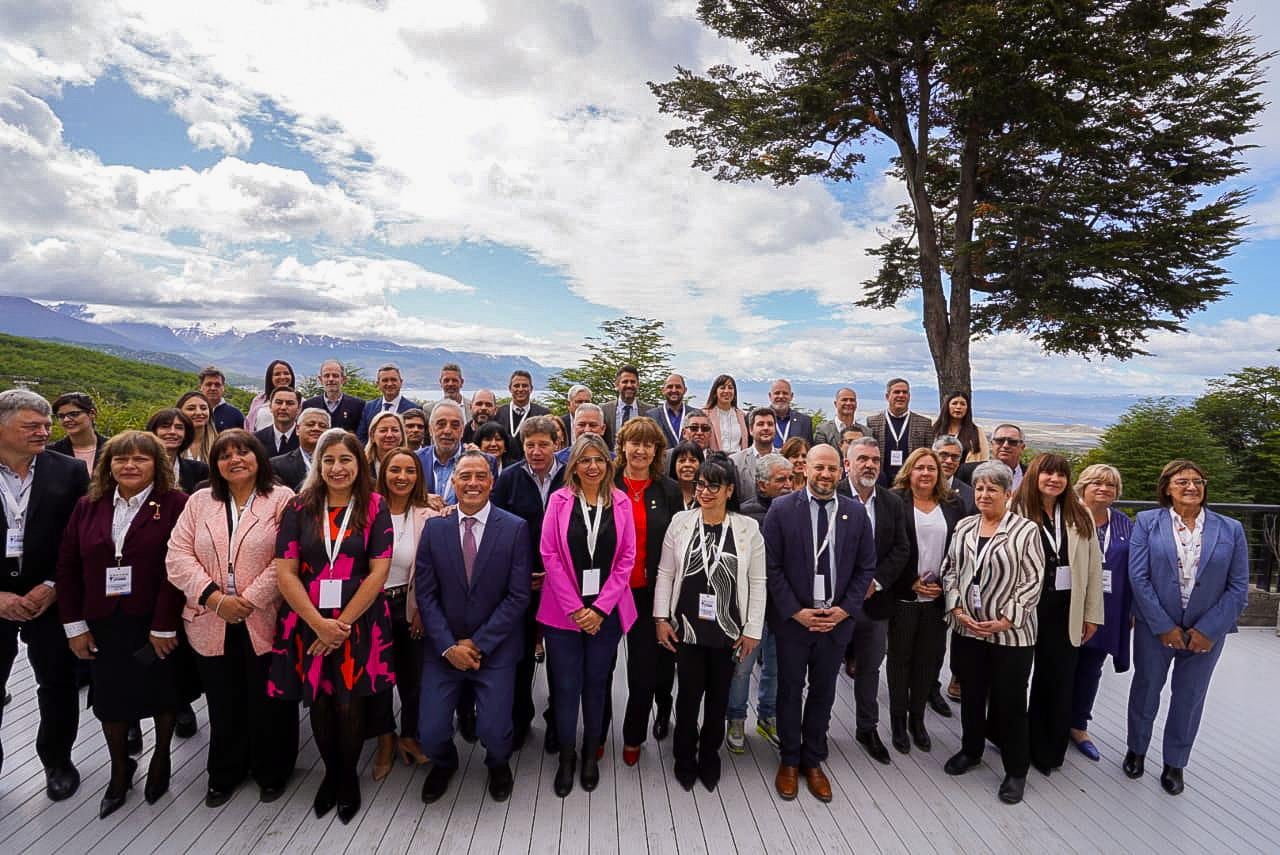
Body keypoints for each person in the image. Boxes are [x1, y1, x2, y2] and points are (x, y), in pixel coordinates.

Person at [56, 431, 188, 816]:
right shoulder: (88, 505)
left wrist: (164, 625)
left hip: (155, 622)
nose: (129, 466)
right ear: (107, 464)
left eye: (140, 459)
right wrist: (73, 625)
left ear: (157, 465)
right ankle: (119, 770)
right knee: (111, 701)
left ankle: (161, 759)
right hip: (101, 622)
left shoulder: (176, 503)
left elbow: (177, 568)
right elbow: (67, 567)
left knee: (161, 693)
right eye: (120, 459)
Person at [165, 429, 299, 807]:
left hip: (264, 616)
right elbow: (177, 556)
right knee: (223, 702)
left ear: (259, 457)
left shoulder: (282, 498)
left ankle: (271, 770)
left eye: (244, 452)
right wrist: (214, 598)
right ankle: (225, 771)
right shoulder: (199, 501)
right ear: (215, 463)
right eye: (226, 455)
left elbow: (287, 558)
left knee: (268, 702)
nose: (235, 460)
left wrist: (249, 599)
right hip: (209, 617)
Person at [268, 428, 395, 824]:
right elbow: (285, 571)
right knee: (320, 701)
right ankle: (331, 773)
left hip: (358, 623)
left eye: (345, 460)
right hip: (308, 620)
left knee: (349, 701)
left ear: (359, 464)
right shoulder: (298, 507)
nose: (337, 468)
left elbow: (378, 572)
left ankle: (349, 778)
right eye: (329, 460)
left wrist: (338, 625)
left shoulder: (375, 506)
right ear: (318, 465)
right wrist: (317, 624)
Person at [1124, 459, 1249, 796]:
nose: (1192, 487)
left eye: (1198, 481)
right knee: (1147, 688)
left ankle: (1174, 763)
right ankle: (1136, 750)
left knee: (1190, 697)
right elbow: (1138, 576)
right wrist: (1163, 625)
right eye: (1182, 481)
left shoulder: (1230, 529)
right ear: (1167, 487)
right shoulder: (1148, 523)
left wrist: (1209, 629)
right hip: (1156, 628)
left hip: (1206, 632)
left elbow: (1238, 587)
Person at [763, 443, 876, 802]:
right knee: (789, 689)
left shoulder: (856, 514)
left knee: (824, 691)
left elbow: (865, 568)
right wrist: (796, 611)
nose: (825, 475)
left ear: (841, 471)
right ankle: (790, 759)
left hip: (836, 621)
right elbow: (771, 567)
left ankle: (813, 758)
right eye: (818, 468)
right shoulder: (781, 509)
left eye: (831, 469)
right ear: (805, 470)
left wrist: (844, 610)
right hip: (795, 622)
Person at [417, 451, 531, 804]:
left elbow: (518, 595)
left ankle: (498, 764)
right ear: (453, 481)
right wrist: (449, 646)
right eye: (465, 476)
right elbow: (425, 592)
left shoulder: (514, 528)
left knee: (496, 731)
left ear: (492, 482)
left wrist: (478, 643)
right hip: (444, 649)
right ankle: (445, 763)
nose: (472, 483)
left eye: (481, 476)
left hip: (493, 650)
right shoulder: (435, 529)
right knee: (431, 731)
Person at [655, 453, 765, 791]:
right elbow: (666, 572)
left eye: (713, 486)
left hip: (729, 631)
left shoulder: (748, 529)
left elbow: (759, 582)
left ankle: (710, 756)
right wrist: (660, 617)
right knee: (687, 697)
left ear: (730, 489)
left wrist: (752, 630)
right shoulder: (680, 522)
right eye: (701, 484)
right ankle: (684, 756)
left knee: (719, 699)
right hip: (686, 627)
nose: (705, 491)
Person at [0, 390, 90, 800]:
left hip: (50, 597)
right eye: (31, 426)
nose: (44, 432)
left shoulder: (69, 471)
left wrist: (54, 584)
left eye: (46, 425)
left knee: (57, 684)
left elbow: (81, 539)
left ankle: (57, 761)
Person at [537, 434, 636, 797]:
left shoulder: (621, 502)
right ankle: (566, 756)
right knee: (564, 688)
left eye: (599, 460)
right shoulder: (559, 501)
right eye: (584, 460)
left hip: (605, 616)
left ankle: (590, 754)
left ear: (608, 465)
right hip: (563, 615)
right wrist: (577, 608)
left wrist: (599, 608)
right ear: (574, 466)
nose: (592, 466)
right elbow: (548, 555)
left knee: (597, 686)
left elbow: (626, 559)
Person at [941, 460, 1044, 806]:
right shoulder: (965, 526)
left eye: (992, 489)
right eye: (980, 488)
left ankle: (1016, 770)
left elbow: (1032, 582)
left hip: (1010, 636)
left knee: (1010, 702)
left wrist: (1005, 620)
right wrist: (956, 608)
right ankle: (971, 750)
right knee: (971, 693)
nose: (984, 494)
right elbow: (950, 570)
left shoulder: (1026, 530)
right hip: (968, 629)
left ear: (1008, 493)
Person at [1011, 453, 1104, 777]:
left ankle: (1047, 749)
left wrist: (1091, 614)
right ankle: (1009, 740)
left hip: (1067, 609)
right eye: (1047, 473)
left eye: (1061, 475)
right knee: (1014, 679)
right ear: (1035, 475)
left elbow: (1093, 567)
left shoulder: (1081, 515)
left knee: (1057, 680)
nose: (1054, 479)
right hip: (1024, 608)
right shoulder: (1016, 511)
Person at [882, 446, 966, 760]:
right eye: (920, 468)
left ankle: (918, 720)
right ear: (909, 471)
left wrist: (945, 585)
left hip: (936, 599)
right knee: (900, 660)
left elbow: (961, 550)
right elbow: (887, 548)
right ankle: (898, 722)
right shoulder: (894, 502)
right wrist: (909, 581)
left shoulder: (953, 504)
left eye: (932, 468)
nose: (926, 473)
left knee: (927, 662)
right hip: (904, 595)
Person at [492, 415, 565, 752]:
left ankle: (557, 720)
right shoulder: (508, 479)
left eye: (543, 444)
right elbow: (498, 531)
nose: (536, 451)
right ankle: (519, 719)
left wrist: (555, 573)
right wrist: (519, 574)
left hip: (562, 582)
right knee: (519, 655)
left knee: (560, 657)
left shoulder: (570, 477)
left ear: (557, 445)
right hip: (519, 582)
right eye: (530, 444)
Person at [614, 417, 683, 765]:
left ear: (656, 450)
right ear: (622, 444)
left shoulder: (668, 490)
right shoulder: (605, 481)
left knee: (643, 671)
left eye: (648, 444)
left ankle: (633, 735)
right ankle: (595, 733)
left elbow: (676, 550)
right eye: (634, 442)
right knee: (599, 669)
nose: (640, 450)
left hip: (648, 594)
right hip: (607, 595)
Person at [367, 448, 439, 779]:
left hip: (410, 607)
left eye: (410, 471)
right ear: (383, 473)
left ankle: (409, 735)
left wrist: (424, 610)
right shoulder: (367, 511)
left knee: (414, 679)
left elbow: (433, 570)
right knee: (379, 680)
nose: (402, 477)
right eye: (395, 469)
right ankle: (385, 739)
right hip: (372, 606)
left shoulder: (428, 514)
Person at [839, 438, 911, 763]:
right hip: (836, 603)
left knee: (869, 669)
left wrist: (876, 581)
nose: (869, 465)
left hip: (876, 603)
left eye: (875, 460)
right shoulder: (833, 495)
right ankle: (817, 729)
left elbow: (901, 548)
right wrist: (852, 585)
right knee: (824, 669)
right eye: (862, 459)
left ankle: (867, 728)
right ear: (847, 464)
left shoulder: (891, 502)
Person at [726, 453, 792, 752]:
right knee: (743, 666)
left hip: (784, 606)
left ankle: (768, 717)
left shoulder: (798, 510)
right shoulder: (743, 515)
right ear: (762, 484)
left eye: (792, 478)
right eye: (781, 479)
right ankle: (737, 719)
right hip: (750, 606)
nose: (789, 485)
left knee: (776, 666)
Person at [1070, 464, 1134, 762]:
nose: (1103, 488)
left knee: (1091, 668)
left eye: (1110, 485)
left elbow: (1136, 571)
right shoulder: (1066, 517)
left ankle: (1079, 725)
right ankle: (1048, 721)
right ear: (1082, 485)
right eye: (1097, 482)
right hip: (1067, 606)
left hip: (1108, 608)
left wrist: (1131, 611)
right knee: (1059, 666)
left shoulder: (1124, 524)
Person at [865, 378, 933, 486]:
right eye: (896, 392)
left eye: (905, 392)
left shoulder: (924, 423)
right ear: (887, 396)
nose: (901, 395)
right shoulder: (872, 422)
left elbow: (929, 456)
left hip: (911, 483)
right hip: (881, 482)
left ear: (909, 397)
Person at [147, 408, 209, 494]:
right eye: (165, 427)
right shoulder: (141, 467)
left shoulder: (200, 470)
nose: (172, 432)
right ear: (153, 431)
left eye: (179, 428)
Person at [269, 407, 330, 492]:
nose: (316, 428)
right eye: (310, 424)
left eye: (322, 426)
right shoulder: (276, 465)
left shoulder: (338, 463)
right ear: (297, 429)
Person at [495, 370, 550, 460]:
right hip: (505, 465)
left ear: (531, 389)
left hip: (533, 463)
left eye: (524, 386)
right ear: (510, 388)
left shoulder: (543, 414)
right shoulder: (500, 412)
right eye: (516, 386)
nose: (520, 389)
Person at [50, 392, 108, 473]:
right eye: (61, 416)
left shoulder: (113, 448)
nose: (66, 420)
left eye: (74, 414)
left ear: (92, 414)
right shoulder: (51, 452)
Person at [357, 363, 416, 442]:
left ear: (401, 382)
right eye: (385, 380)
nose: (389, 384)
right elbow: (362, 437)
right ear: (378, 384)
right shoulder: (369, 407)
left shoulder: (413, 409)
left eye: (393, 379)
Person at [302, 360, 364, 433]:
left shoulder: (358, 405)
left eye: (335, 376)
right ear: (320, 380)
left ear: (343, 379)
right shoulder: (309, 405)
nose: (331, 379)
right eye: (326, 376)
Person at [729, 407, 777, 504]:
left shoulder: (785, 457)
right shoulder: (735, 461)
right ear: (751, 429)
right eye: (760, 424)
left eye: (770, 424)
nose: (766, 428)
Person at [931, 392, 990, 464]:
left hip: (966, 473)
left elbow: (984, 458)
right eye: (954, 403)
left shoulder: (976, 432)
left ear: (967, 408)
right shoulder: (935, 430)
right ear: (947, 406)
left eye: (963, 404)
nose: (958, 407)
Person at [601, 364, 650, 448]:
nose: (629, 385)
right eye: (625, 381)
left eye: (633, 382)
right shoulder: (604, 410)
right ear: (617, 385)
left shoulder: (649, 411)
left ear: (638, 385)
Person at [646, 374, 694, 449]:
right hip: (662, 460)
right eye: (670, 387)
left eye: (678, 387)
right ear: (663, 390)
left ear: (685, 390)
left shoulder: (694, 414)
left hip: (688, 459)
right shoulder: (651, 416)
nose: (674, 390)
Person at [246, 360, 296, 432]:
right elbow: (249, 426)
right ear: (270, 378)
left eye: (286, 373)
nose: (282, 377)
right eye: (277, 374)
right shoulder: (258, 400)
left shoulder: (301, 402)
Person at [253, 386, 301, 457]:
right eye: (279, 402)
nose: (283, 407)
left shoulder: (304, 438)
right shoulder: (256, 439)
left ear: (299, 409)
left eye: (290, 403)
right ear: (270, 406)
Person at [704, 374, 748, 452]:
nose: (726, 391)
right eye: (722, 388)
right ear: (715, 392)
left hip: (739, 461)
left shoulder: (741, 415)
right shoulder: (706, 415)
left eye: (730, 388)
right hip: (714, 461)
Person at [934, 435, 976, 515]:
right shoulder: (920, 488)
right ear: (933, 456)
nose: (949, 461)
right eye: (943, 455)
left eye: (955, 457)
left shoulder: (970, 495)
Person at [768, 379, 814, 448]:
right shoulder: (757, 418)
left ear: (791, 396)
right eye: (777, 393)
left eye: (785, 393)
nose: (781, 396)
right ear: (770, 396)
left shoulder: (805, 421)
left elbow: (809, 450)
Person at [199, 367, 244, 432]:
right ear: (200, 387)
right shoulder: (193, 414)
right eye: (208, 384)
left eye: (217, 385)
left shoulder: (236, 415)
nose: (213, 388)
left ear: (223, 387)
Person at [363, 409, 406, 479]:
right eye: (383, 430)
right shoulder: (361, 466)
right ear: (372, 436)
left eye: (395, 430)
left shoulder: (412, 465)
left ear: (402, 436)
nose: (389, 435)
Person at [177, 391, 217, 464]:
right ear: (179, 412)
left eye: (203, 408)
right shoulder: (172, 444)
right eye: (191, 409)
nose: (198, 412)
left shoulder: (219, 444)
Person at [984, 423, 1027, 490]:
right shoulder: (969, 472)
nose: (1005, 445)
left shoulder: (1033, 475)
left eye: (1012, 442)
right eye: (1000, 440)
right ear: (992, 445)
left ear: (1022, 447)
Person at [668, 440, 705, 511]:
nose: (687, 465)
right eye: (682, 460)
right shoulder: (665, 493)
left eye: (692, 460)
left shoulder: (708, 494)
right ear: (674, 465)